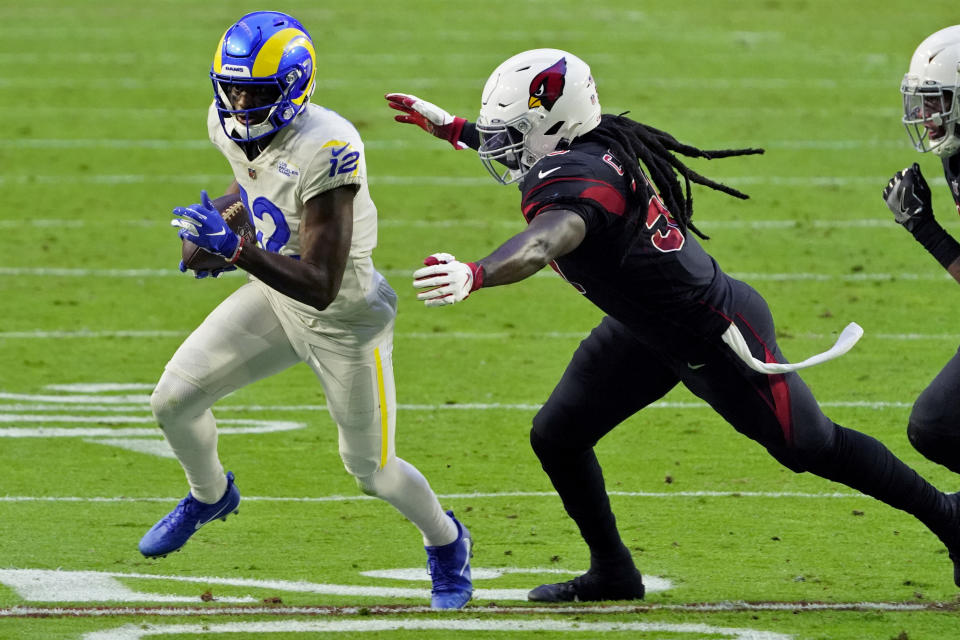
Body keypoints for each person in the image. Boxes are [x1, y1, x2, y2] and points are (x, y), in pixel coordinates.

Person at [387, 48, 960, 602]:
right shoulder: (592, 139)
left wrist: (478, 272)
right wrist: (456, 129)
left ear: (553, 126)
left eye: (511, 134)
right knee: (557, 435)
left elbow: (545, 241)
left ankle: (951, 518)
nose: (502, 148)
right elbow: (533, 161)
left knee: (813, 446)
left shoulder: (583, 176)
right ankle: (613, 572)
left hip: (713, 336)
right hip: (646, 328)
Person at [139, 11, 472, 610]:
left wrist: (235, 248)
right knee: (172, 401)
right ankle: (210, 495)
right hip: (275, 295)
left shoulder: (330, 146)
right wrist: (219, 222)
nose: (238, 103)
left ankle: (447, 543)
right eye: (231, 87)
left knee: (372, 471)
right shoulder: (226, 123)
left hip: (345, 320)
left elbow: (321, 281)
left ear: (293, 88)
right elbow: (254, 189)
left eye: (255, 92)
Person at [883, 25, 960, 477]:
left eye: (938, 99)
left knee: (938, 423)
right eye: (924, 99)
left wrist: (924, 230)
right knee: (936, 424)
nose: (926, 113)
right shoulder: (955, 153)